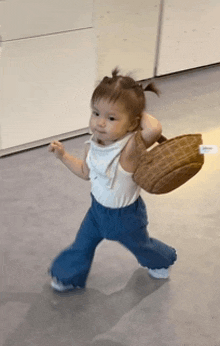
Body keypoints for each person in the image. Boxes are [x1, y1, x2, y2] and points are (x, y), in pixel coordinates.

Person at [47, 67, 177, 292]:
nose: (99, 123)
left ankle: (160, 260)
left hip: (126, 217)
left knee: (141, 245)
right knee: (81, 245)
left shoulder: (129, 149)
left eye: (111, 117)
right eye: (95, 113)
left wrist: (135, 108)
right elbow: (85, 173)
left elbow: (154, 128)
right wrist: (63, 156)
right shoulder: (92, 145)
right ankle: (66, 276)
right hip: (97, 212)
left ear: (133, 123)